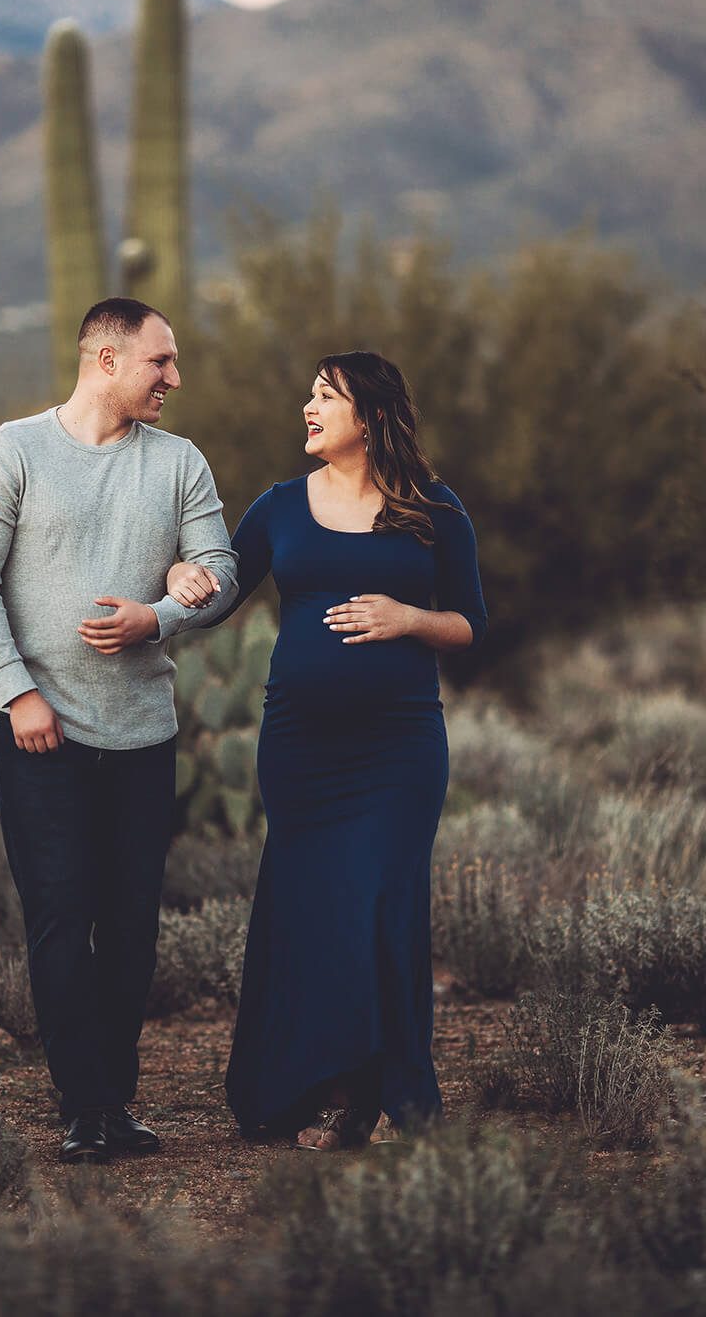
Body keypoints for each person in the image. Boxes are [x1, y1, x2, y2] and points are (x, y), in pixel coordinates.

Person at [169, 350, 487, 1149]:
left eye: (324, 396)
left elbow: (471, 623)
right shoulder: (279, 507)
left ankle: (388, 1095)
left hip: (399, 749)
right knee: (314, 913)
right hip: (302, 748)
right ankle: (324, 1088)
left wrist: (407, 618)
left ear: (372, 416)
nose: (307, 408)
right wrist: (180, 576)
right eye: (308, 394)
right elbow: (216, 598)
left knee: (382, 906)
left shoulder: (436, 510)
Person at [0, 297, 237, 1165]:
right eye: (161, 362)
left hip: (142, 733)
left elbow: (219, 572)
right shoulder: (11, 452)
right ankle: (84, 1105)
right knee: (61, 919)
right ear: (106, 360)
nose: (175, 379)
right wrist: (15, 691)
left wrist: (164, 613)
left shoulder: (179, 463)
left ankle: (115, 1098)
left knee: (132, 926)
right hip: (41, 734)